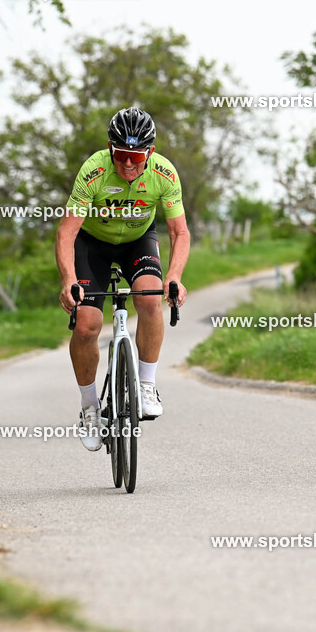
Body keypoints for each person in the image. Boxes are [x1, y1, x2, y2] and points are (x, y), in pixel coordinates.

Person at [56, 107, 190, 451]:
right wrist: (68, 278)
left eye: (135, 158)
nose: (128, 165)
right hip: (92, 245)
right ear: (110, 149)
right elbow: (67, 233)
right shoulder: (94, 170)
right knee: (87, 324)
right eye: (121, 157)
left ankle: (146, 384)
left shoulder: (164, 174)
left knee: (149, 298)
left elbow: (179, 232)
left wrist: (174, 276)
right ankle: (89, 408)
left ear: (150, 153)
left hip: (137, 241)